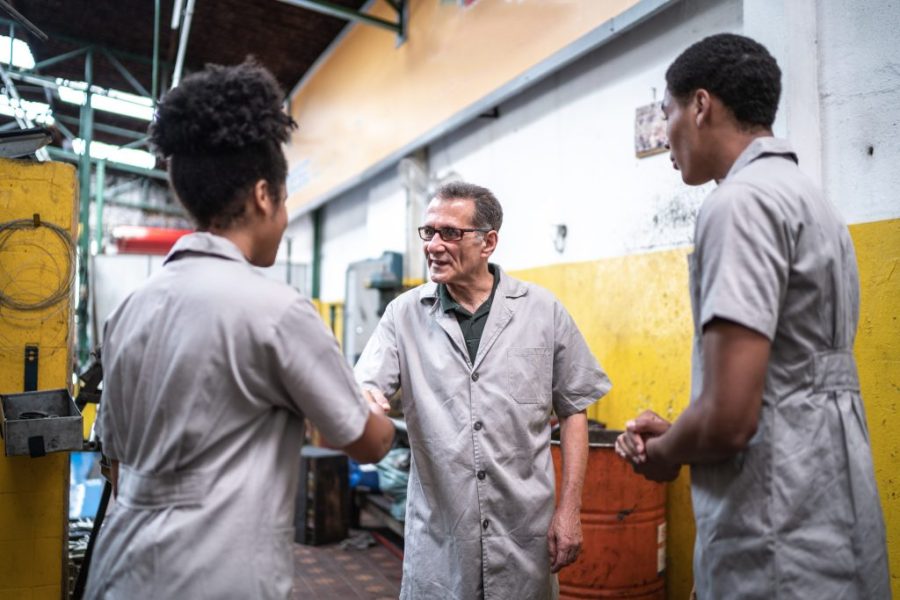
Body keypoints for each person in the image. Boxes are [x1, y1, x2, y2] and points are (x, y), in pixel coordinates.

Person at [84, 60, 395, 599]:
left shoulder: (129, 310)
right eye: (285, 200)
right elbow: (367, 443)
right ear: (262, 196)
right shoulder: (276, 310)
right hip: (215, 575)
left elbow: (111, 461)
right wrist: (373, 405)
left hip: (120, 568)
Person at [615, 34, 890, 598]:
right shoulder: (809, 199)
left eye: (665, 113)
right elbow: (786, 383)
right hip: (830, 505)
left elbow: (729, 420)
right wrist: (685, 433)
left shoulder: (737, 205)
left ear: (700, 105)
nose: (665, 137)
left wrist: (663, 456)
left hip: (774, 524)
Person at [355, 181, 612, 599]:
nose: (434, 245)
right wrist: (365, 397)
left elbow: (573, 409)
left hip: (523, 536)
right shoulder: (404, 316)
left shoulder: (541, 311)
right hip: (442, 539)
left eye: (450, 233)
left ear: (488, 242)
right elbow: (368, 382)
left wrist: (569, 511)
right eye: (429, 232)